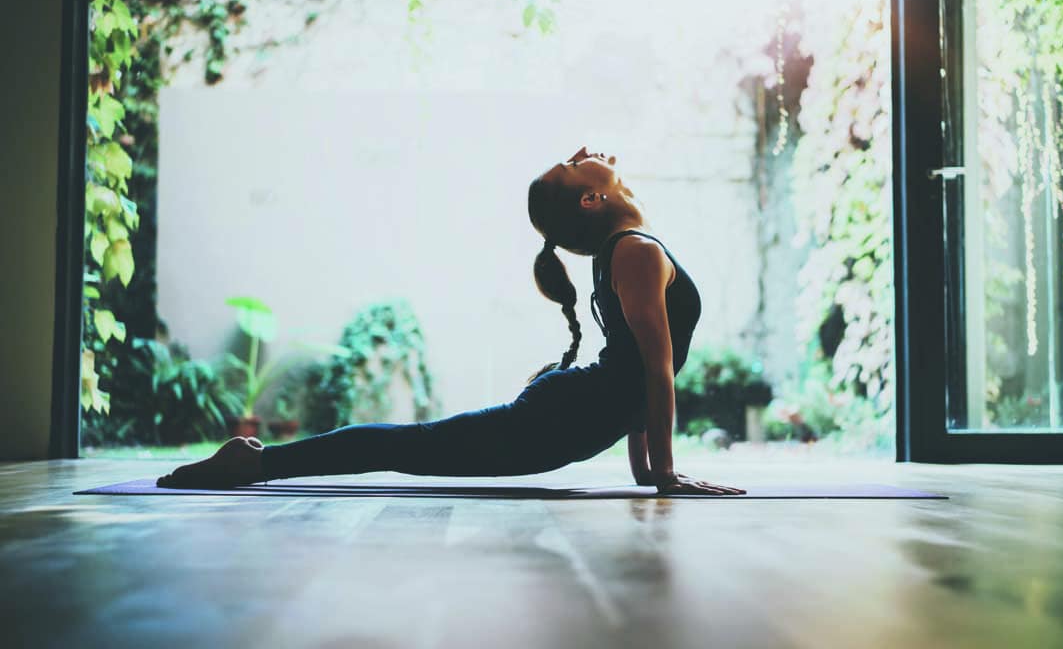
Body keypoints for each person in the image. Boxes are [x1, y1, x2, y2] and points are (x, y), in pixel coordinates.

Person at [156, 147, 745, 495]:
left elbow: (638, 372)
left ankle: (256, 461)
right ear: (592, 200)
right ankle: (254, 462)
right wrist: (662, 472)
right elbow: (653, 371)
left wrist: (647, 470)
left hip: (571, 415)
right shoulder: (635, 251)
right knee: (414, 446)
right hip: (562, 419)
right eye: (575, 163)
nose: (589, 153)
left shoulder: (625, 249)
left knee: (418, 446)